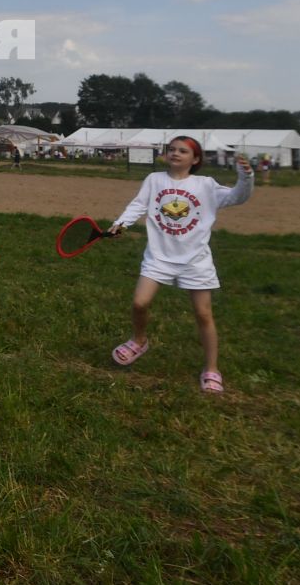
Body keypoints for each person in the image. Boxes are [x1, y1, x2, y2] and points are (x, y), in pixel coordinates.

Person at [104, 137, 253, 394]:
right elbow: (138, 205)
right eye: (171, 149)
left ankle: (212, 369)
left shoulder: (206, 185)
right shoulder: (154, 180)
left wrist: (246, 176)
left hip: (195, 262)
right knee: (139, 303)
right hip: (158, 257)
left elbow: (238, 197)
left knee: (203, 315)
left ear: (195, 159)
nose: (175, 153)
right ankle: (139, 341)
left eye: (183, 151)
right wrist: (122, 223)